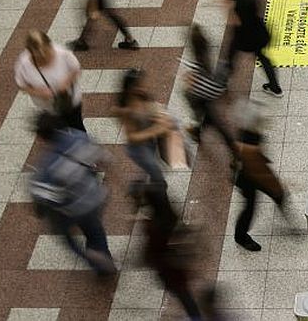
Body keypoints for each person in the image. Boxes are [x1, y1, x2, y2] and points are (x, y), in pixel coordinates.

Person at [30, 112, 115, 275]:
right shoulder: (79, 138)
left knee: (66, 238)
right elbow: (103, 158)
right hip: (93, 197)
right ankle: (103, 261)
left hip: (68, 210)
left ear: (41, 137)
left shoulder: (46, 167)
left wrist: (40, 211)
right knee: (95, 231)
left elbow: (44, 198)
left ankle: (91, 256)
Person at [129, 180, 201, 319]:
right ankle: (194, 314)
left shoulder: (153, 227)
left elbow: (151, 252)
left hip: (169, 269)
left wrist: (143, 259)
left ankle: (196, 317)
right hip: (177, 265)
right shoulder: (169, 215)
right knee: (184, 293)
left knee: (183, 295)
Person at [232, 99, 286, 252]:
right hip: (247, 179)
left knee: (279, 194)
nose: (267, 121)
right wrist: (274, 184)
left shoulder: (250, 134)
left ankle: (281, 204)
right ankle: (241, 236)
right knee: (250, 206)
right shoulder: (249, 145)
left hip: (249, 172)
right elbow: (257, 170)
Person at [221, 0, 283, 97]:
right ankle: (275, 87)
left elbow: (236, 22)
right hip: (258, 31)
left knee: (230, 57)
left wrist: (228, 8)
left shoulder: (238, 0)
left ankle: (221, 84)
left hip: (243, 36)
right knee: (263, 57)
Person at [15, 31, 85, 131]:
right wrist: (39, 92)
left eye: (45, 51)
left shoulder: (63, 54)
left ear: (49, 45)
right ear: (30, 52)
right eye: (38, 55)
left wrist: (66, 83)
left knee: (77, 128)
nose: (43, 56)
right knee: (58, 134)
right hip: (47, 108)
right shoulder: (23, 64)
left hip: (70, 102)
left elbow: (76, 70)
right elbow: (22, 85)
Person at [114, 68, 172, 187]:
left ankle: (139, 189)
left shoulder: (142, 95)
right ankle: (139, 191)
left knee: (149, 169)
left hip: (150, 143)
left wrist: (160, 117)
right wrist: (154, 131)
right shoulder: (125, 109)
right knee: (158, 177)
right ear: (130, 88)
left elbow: (153, 109)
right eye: (139, 85)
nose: (143, 88)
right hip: (139, 149)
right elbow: (131, 137)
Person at [181, 24, 235, 147]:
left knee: (209, 122)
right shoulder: (205, 61)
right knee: (216, 125)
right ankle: (233, 149)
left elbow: (189, 88)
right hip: (203, 101)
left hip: (198, 101)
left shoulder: (194, 66)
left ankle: (195, 131)